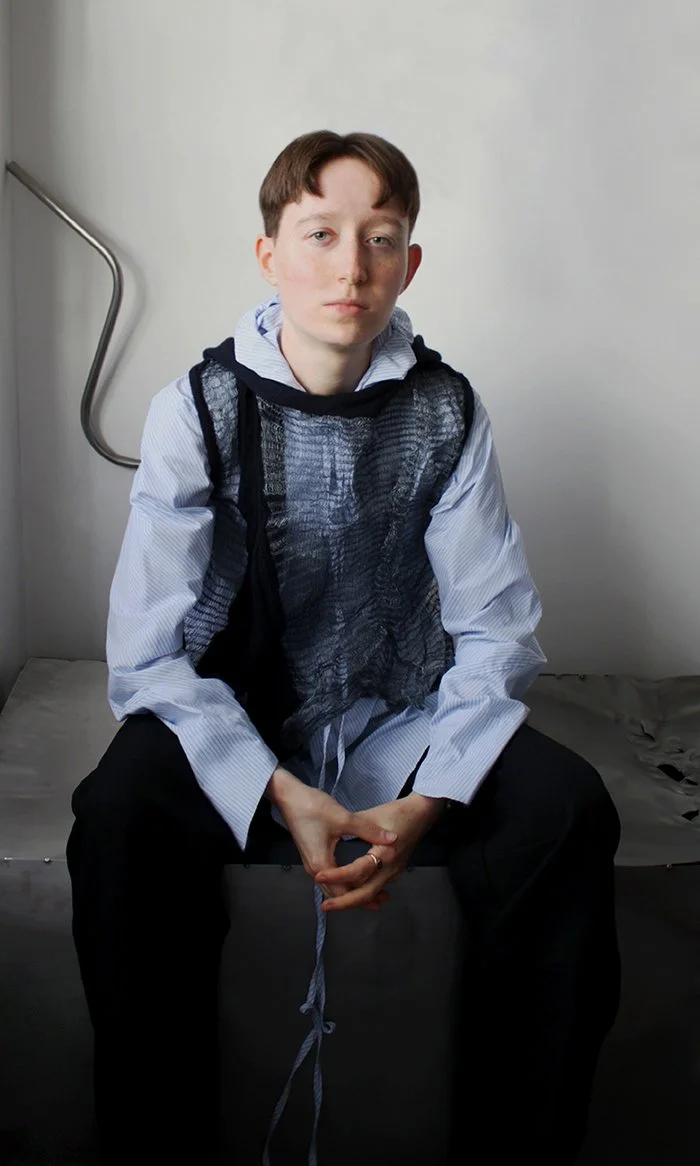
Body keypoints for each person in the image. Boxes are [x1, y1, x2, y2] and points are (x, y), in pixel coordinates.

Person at [67, 129, 621, 1166]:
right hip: (231, 724)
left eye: (380, 238)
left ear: (409, 263)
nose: (350, 266)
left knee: (565, 810)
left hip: (398, 715)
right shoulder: (199, 404)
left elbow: (494, 628)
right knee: (117, 814)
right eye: (320, 233)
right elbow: (145, 655)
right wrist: (274, 785)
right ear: (269, 252)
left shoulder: (445, 407)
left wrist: (431, 796)